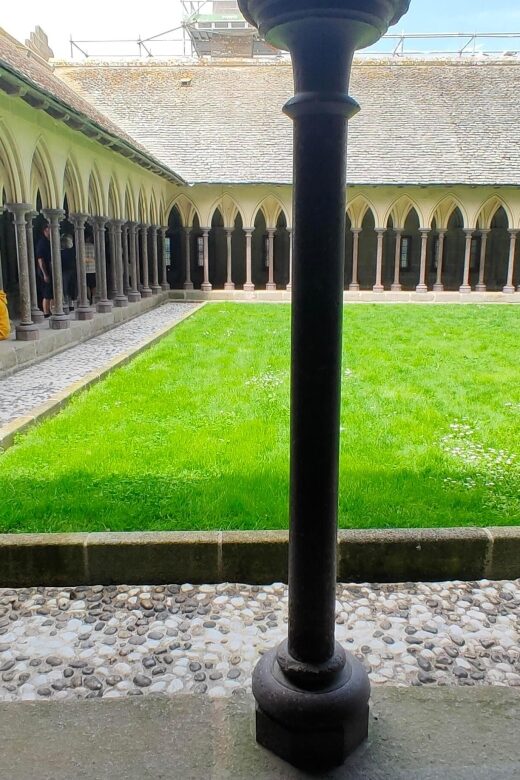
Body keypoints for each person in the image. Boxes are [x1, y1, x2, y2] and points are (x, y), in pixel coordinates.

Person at [35, 224, 52, 317]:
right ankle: (46, 312)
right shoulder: (42, 243)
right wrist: (45, 274)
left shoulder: (49, 241)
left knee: (50, 291)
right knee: (47, 292)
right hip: (44, 270)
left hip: (49, 269)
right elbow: (40, 260)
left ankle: (49, 310)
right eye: (50, 228)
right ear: (45, 230)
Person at [60, 234, 76, 312]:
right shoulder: (62, 252)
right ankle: (68, 304)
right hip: (66, 271)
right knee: (67, 288)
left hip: (69, 271)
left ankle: (70, 304)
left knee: (69, 288)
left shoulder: (70, 251)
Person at [84, 231, 96, 303]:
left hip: (84, 269)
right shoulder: (93, 246)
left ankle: (88, 299)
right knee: (93, 285)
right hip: (93, 269)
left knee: (86, 285)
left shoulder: (81, 246)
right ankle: (94, 299)